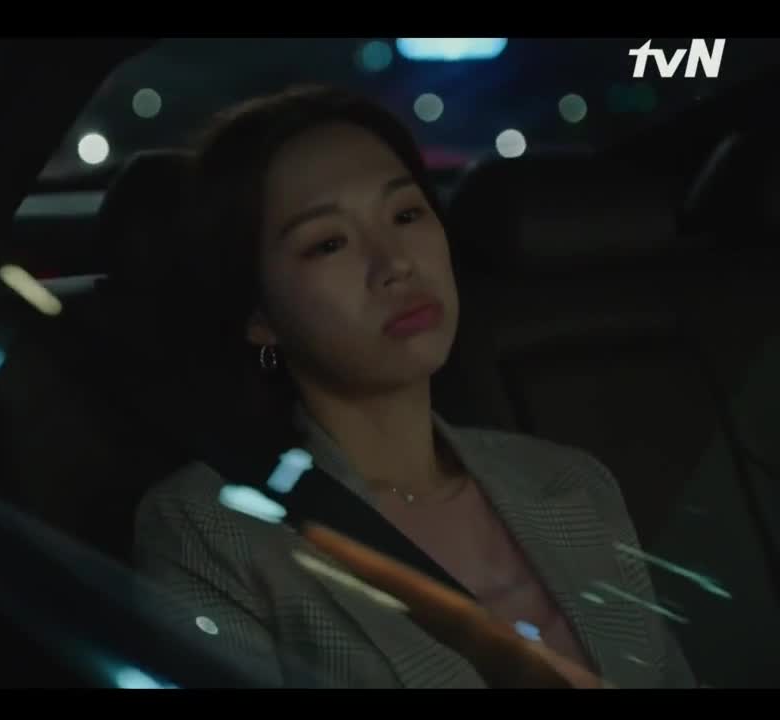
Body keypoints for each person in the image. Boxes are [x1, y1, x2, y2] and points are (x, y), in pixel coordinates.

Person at [131, 85, 697, 688]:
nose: (395, 263)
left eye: (406, 215)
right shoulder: (208, 531)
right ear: (259, 314)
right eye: (328, 243)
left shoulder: (572, 483)